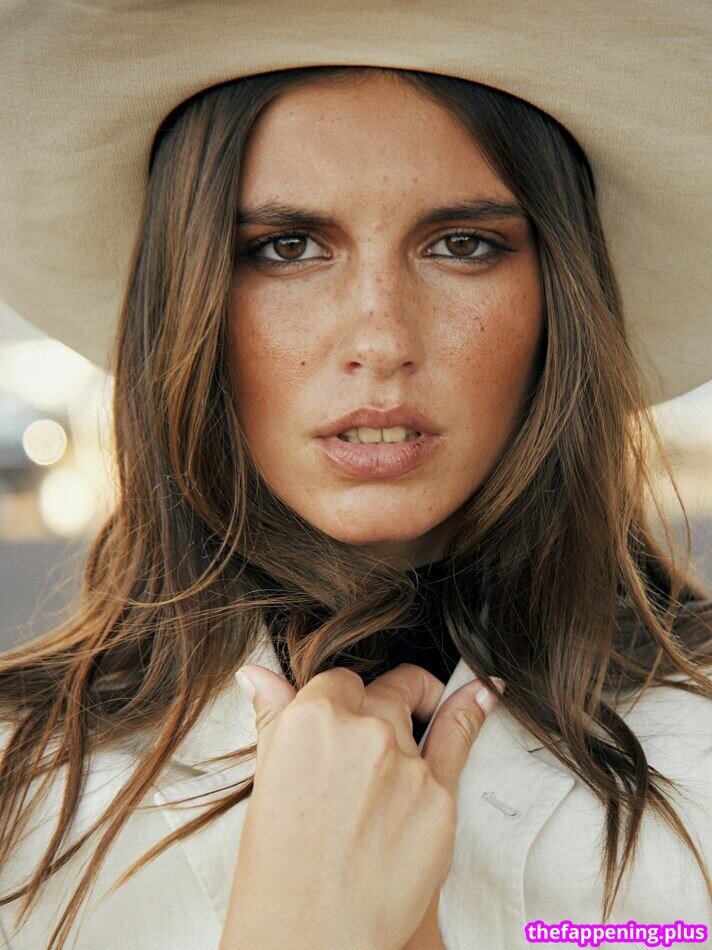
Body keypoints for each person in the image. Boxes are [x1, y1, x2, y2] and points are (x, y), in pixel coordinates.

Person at [0, 4, 711, 949]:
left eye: (462, 244)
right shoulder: (20, 793)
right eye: (287, 248)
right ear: (187, 303)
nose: (380, 338)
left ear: (559, 298)